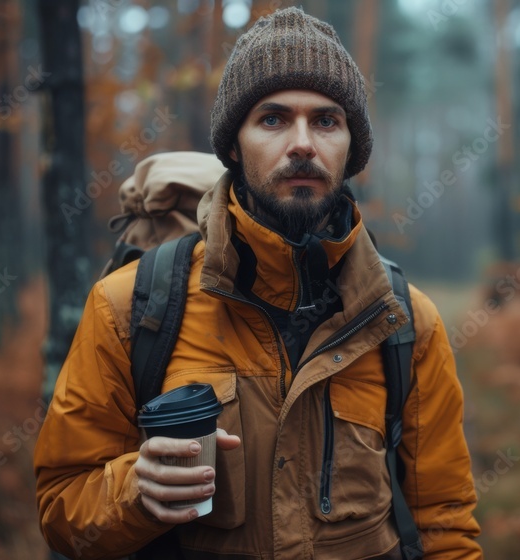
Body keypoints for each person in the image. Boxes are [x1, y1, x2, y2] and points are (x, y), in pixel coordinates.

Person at [34, 7, 482, 559]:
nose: (301, 143)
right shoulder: (128, 307)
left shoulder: (406, 323)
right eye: (272, 119)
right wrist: (134, 491)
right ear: (232, 147)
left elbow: (445, 524)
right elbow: (60, 507)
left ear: (352, 149)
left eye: (326, 120)